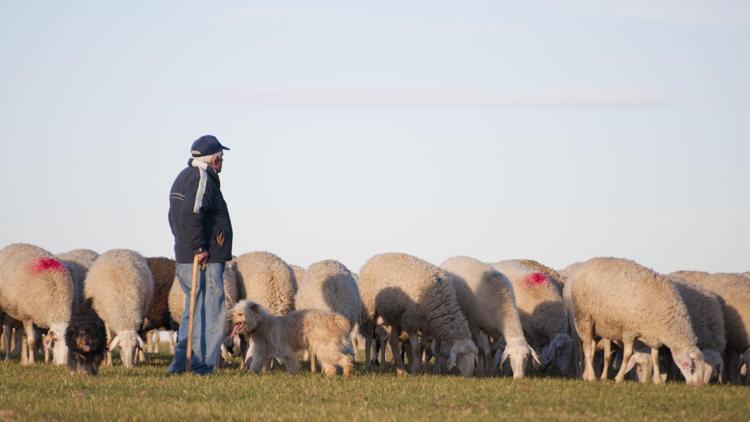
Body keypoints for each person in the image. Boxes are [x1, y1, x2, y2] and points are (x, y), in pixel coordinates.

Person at [167, 135, 233, 375]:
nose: (223, 161)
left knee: (193, 309)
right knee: (211, 309)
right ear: (214, 159)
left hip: (188, 254)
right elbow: (191, 214)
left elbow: (174, 218)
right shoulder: (202, 178)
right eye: (221, 157)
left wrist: (185, 244)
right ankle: (202, 365)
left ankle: (181, 364)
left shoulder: (183, 177)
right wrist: (199, 248)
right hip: (204, 258)